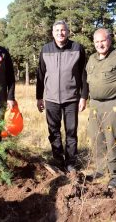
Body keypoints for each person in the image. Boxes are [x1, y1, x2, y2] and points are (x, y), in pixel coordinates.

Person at [36, 20, 88, 172]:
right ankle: (58, 161)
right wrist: (39, 97)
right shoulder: (45, 49)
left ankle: (71, 163)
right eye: (57, 30)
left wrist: (84, 96)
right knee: (54, 132)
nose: (60, 33)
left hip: (72, 98)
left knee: (71, 132)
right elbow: (40, 74)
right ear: (53, 33)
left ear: (68, 32)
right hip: (51, 99)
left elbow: (84, 75)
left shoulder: (77, 48)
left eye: (63, 30)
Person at [85, 28, 116, 189]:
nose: (100, 44)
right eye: (97, 41)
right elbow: (88, 82)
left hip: (113, 105)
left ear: (110, 40)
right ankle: (100, 170)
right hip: (95, 105)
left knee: (113, 139)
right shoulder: (92, 59)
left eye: (103, 40)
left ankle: (115, 175)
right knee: (96, 138)